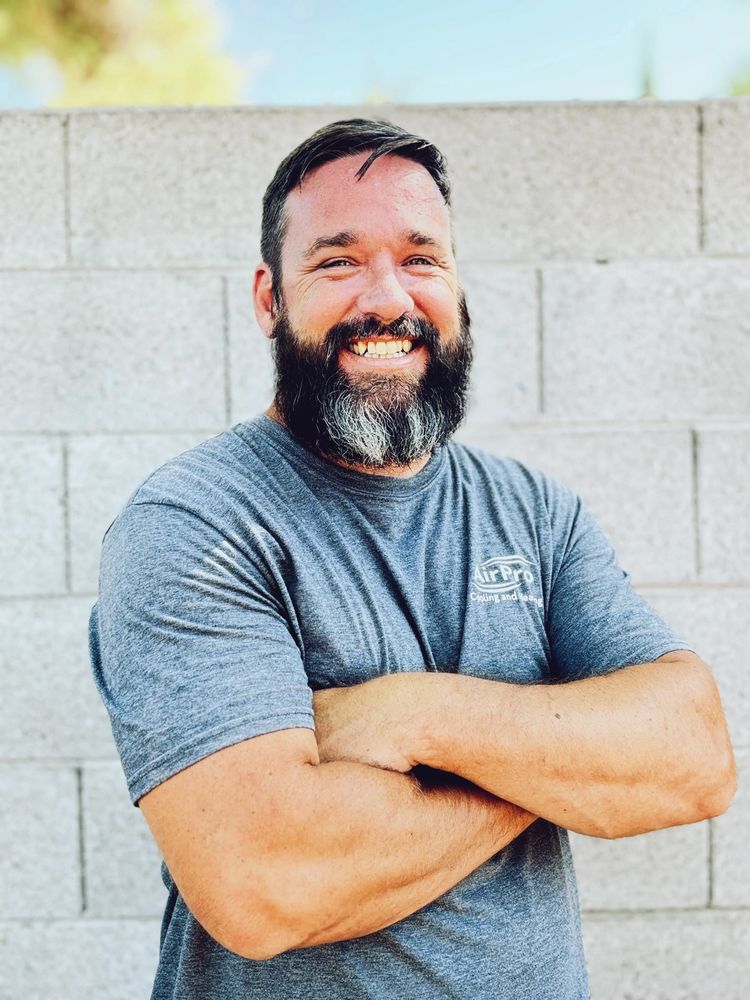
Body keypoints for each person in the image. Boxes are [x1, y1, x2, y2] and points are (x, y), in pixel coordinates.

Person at [90, 118, 736, 1000]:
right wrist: (555, 766)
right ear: (269, 299)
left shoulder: (533, 512)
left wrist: (413, 716)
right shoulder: (198, 524)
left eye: (421, 258)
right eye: (338, 261)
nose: (387, 298)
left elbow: (694, 758)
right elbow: (265, 884)